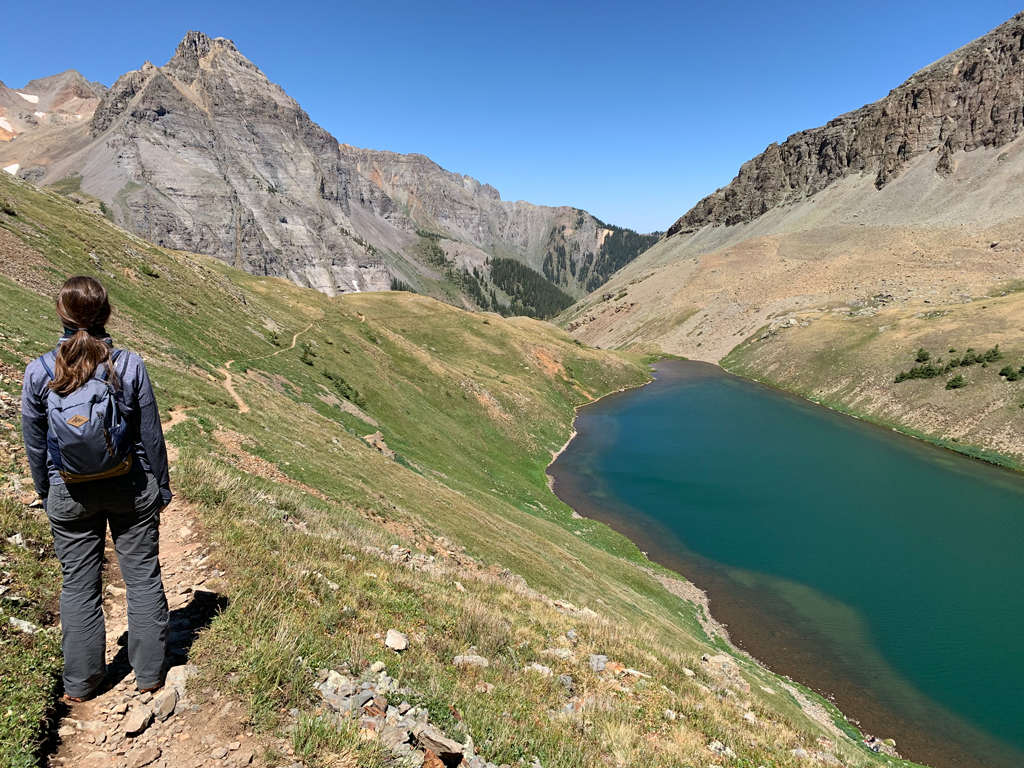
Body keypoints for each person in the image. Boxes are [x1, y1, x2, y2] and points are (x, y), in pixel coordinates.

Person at [21, 276, 172, 701]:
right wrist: (159, 486)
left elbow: (35, 443)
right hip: (131, 488)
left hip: (68, 493)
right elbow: (151, 436)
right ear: (106, 314)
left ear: (61, 315)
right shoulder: (129, 364)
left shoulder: (39, 371)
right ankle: (149, 676)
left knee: (78, 586)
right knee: (142, 579)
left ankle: (82, 682)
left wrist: (47, 488)